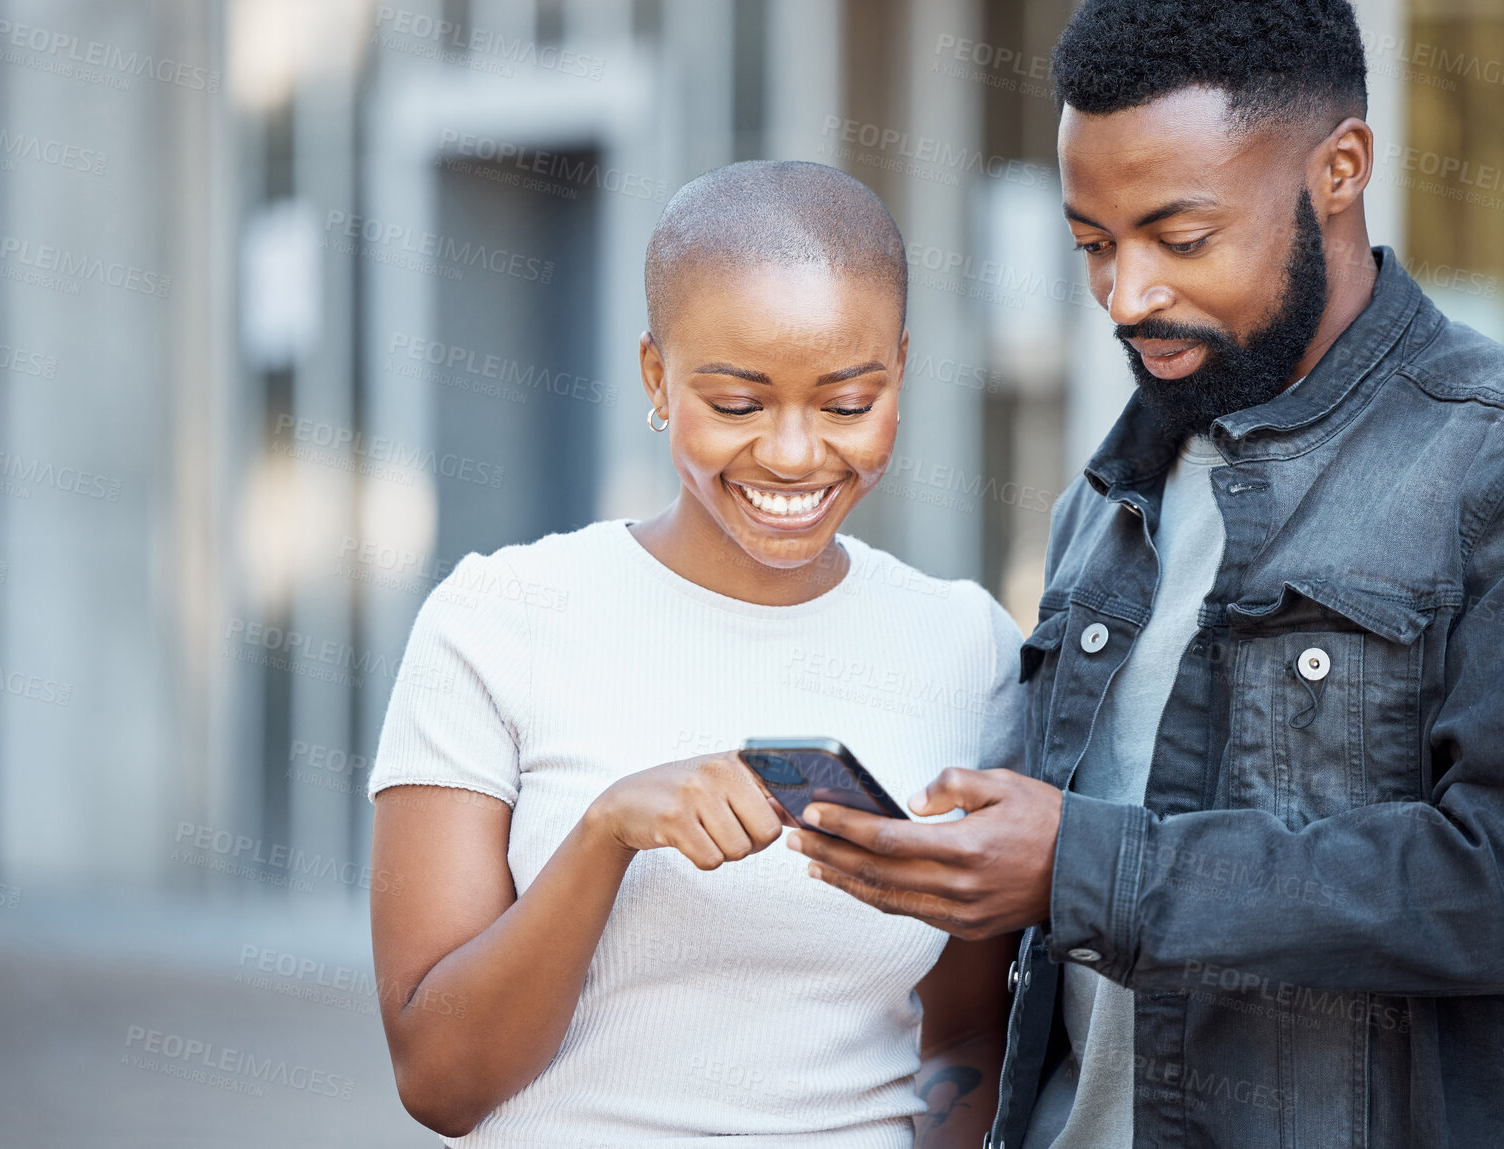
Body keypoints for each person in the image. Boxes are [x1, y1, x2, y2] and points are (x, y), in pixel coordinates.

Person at [785, 2, 1504, 1147]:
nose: (1128, 295)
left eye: (1179, 237)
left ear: (1341, 168)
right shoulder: (1104, 505)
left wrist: (1083, 863)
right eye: (1094, 245)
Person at [366, 160, 1024, 1148]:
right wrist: (604, 836)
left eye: (847, 403)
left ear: (899, 372)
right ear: (655, 379)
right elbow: (441, 1083)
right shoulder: (495, 620)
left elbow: (968, 1028)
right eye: (738, 403)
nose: (796, 454)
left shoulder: (966, 646)